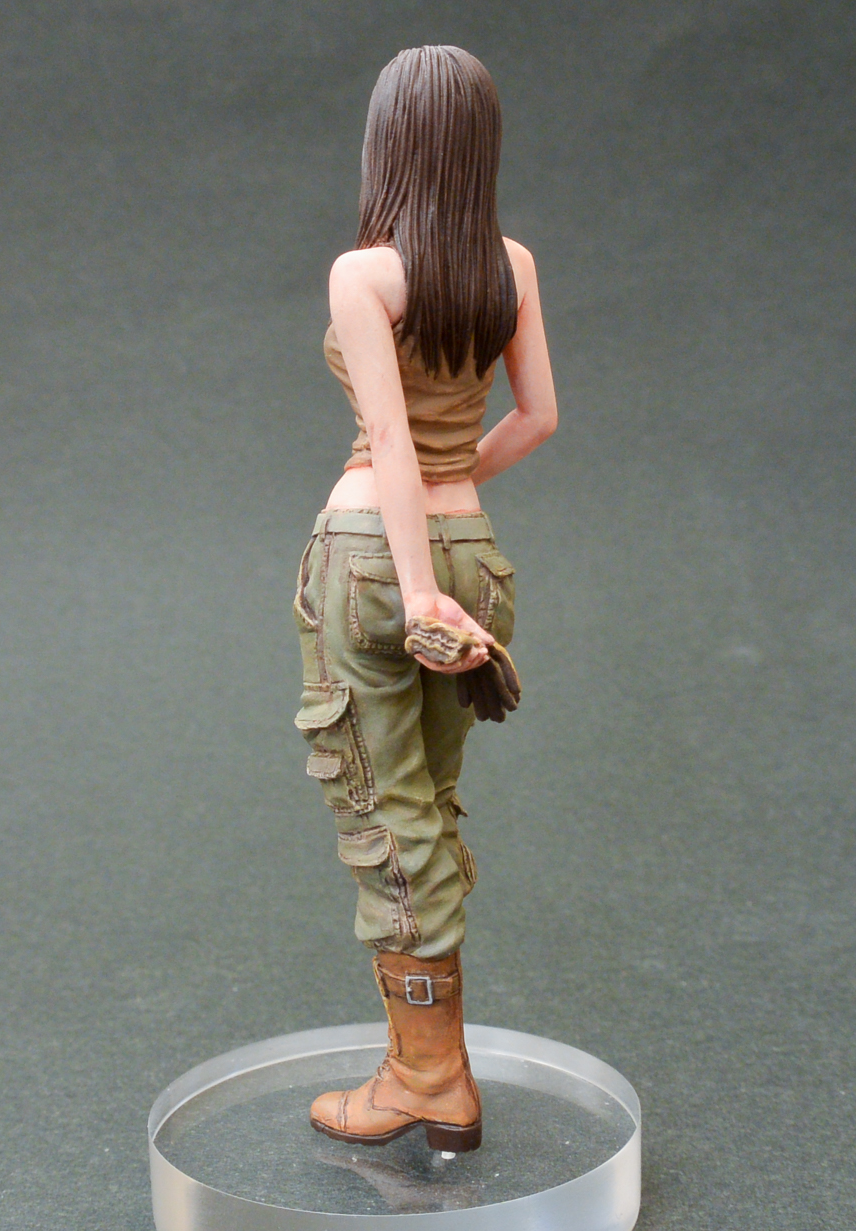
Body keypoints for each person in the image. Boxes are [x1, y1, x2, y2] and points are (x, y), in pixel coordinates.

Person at [294, 45, 557, 1152]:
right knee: (430, 808)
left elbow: (388, 440)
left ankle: (427, 1076)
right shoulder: (510, 265)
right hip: (474, 551)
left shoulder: (364, 273)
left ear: (388, 139)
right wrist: (454, 509)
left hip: (372, 558)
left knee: (382, 812)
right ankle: (429, 1066)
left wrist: (411, 590)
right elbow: (537, 417)